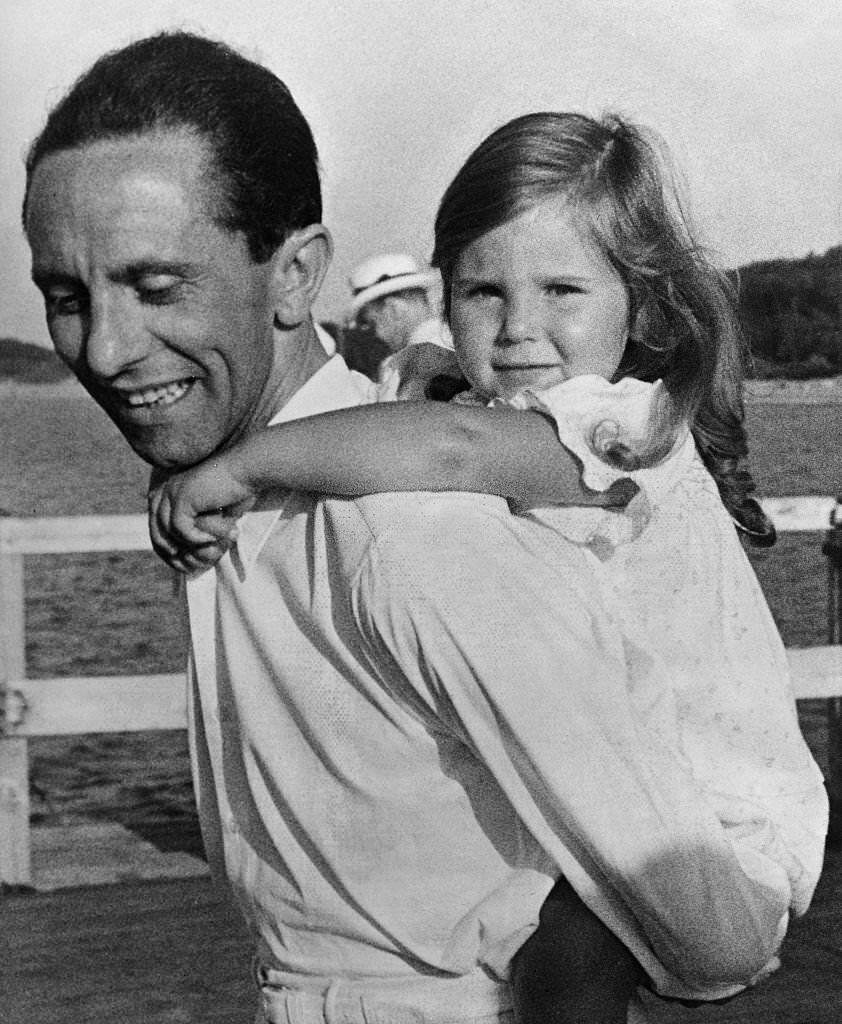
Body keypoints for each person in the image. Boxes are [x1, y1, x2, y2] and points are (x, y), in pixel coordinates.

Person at [24, 31, 819, 1024]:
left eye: (155, 285)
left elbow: (715, 932)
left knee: (572, 963)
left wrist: (243, 463)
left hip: (721, 833)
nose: (102, 348)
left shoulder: (423, 529)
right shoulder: (319, 489)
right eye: (64, 296)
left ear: (295, 272)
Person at [348, 252, 457, 399]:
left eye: (372, 324)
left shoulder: (404, 365)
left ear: (393, 309)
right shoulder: (458, 340)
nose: (378, 335)